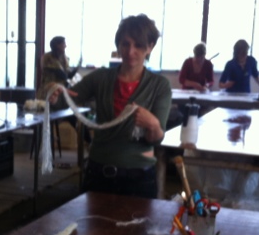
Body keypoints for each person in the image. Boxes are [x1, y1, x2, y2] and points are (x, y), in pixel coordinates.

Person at [50, 14, 172, 199]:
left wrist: (153, 124)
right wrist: (53, 95)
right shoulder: (101, 78)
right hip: (98, 172)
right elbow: (65, 100)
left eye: (138, 45)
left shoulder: (160, 85)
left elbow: (155, 139)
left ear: (150, 46)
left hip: (139, 178)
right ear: (118, 45)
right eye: (125, 44)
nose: (130, 51)